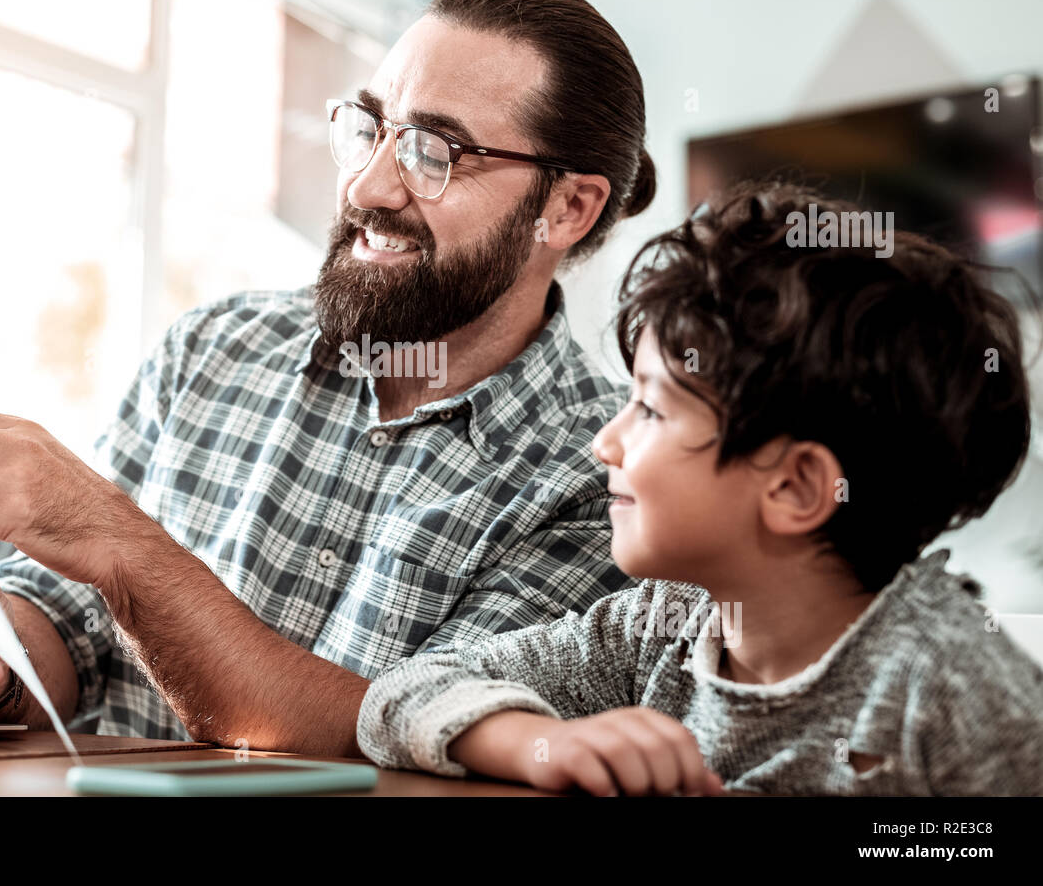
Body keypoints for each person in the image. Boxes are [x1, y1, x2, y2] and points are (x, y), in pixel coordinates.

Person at [0, 0, 657, 754]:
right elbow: (69, 632)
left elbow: (406, 736)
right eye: (372, 129)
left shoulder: (610, 477)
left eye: (432, 152)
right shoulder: (215, 345)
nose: (370, 186)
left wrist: (123, 546)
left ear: (567, 208)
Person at [357, 182, 1043, 794]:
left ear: (798, 488)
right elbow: (398, 694)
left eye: (651, 410)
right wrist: (543, 743)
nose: (604, 443)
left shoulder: (960, 695)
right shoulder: (663, 626)